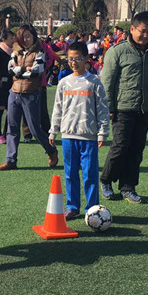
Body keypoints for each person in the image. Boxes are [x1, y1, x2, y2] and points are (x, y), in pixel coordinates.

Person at [99, 11, 148, 203]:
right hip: (122, 108)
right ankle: (106, 180)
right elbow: (107, 83)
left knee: (136, 150)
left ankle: (128, 187)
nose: (146, 35)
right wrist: (109, 108)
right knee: (120, 146)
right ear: (132, 29)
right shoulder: (117, 51)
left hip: (144, 109)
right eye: (142, 31)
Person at [49, 41, 109, 219]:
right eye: (70, 59)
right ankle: (73, 207)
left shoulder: (94, 82)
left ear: (86, 59)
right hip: (68, 136)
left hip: (88, 136)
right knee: (70, 174)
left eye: (78, 59)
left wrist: (102, 132)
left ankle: (92, 209)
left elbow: (102, 110)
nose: (73, 63)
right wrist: (53, 131)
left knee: (90, 174)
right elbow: (57, 109)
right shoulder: (64, 83)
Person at [0, 24, 58, 171]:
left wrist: (19, 71)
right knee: (12, 128)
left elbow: (37, 71)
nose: (26, 39)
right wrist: (25, 69)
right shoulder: (15, 52)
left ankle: (51, 150)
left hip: (31, 93)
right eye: (23, 36)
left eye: (28, 36)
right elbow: (10, 70)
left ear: (33, 37)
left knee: (34, 128)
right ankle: (11, 160)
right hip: (14, 92)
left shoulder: (40, 52)